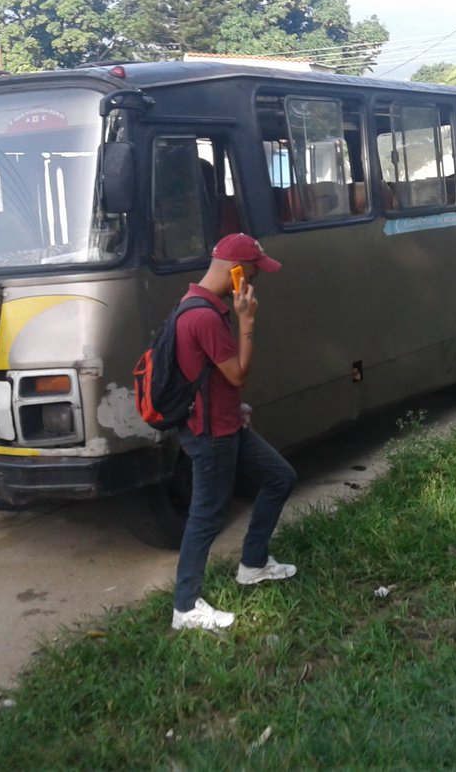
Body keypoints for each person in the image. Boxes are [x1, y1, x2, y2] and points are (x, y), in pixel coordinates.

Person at [171, 233, 298, 631]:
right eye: (253, 274)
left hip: (226, 424)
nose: (253, 283)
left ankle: (253, 564)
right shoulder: (204, 317)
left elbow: (210, 377)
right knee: (206, 517)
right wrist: (247, 321)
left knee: (280, 477)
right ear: (235, 271)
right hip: (211, 435)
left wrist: (232, 406)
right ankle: (185, 608)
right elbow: (238, 372)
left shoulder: (196, 305)